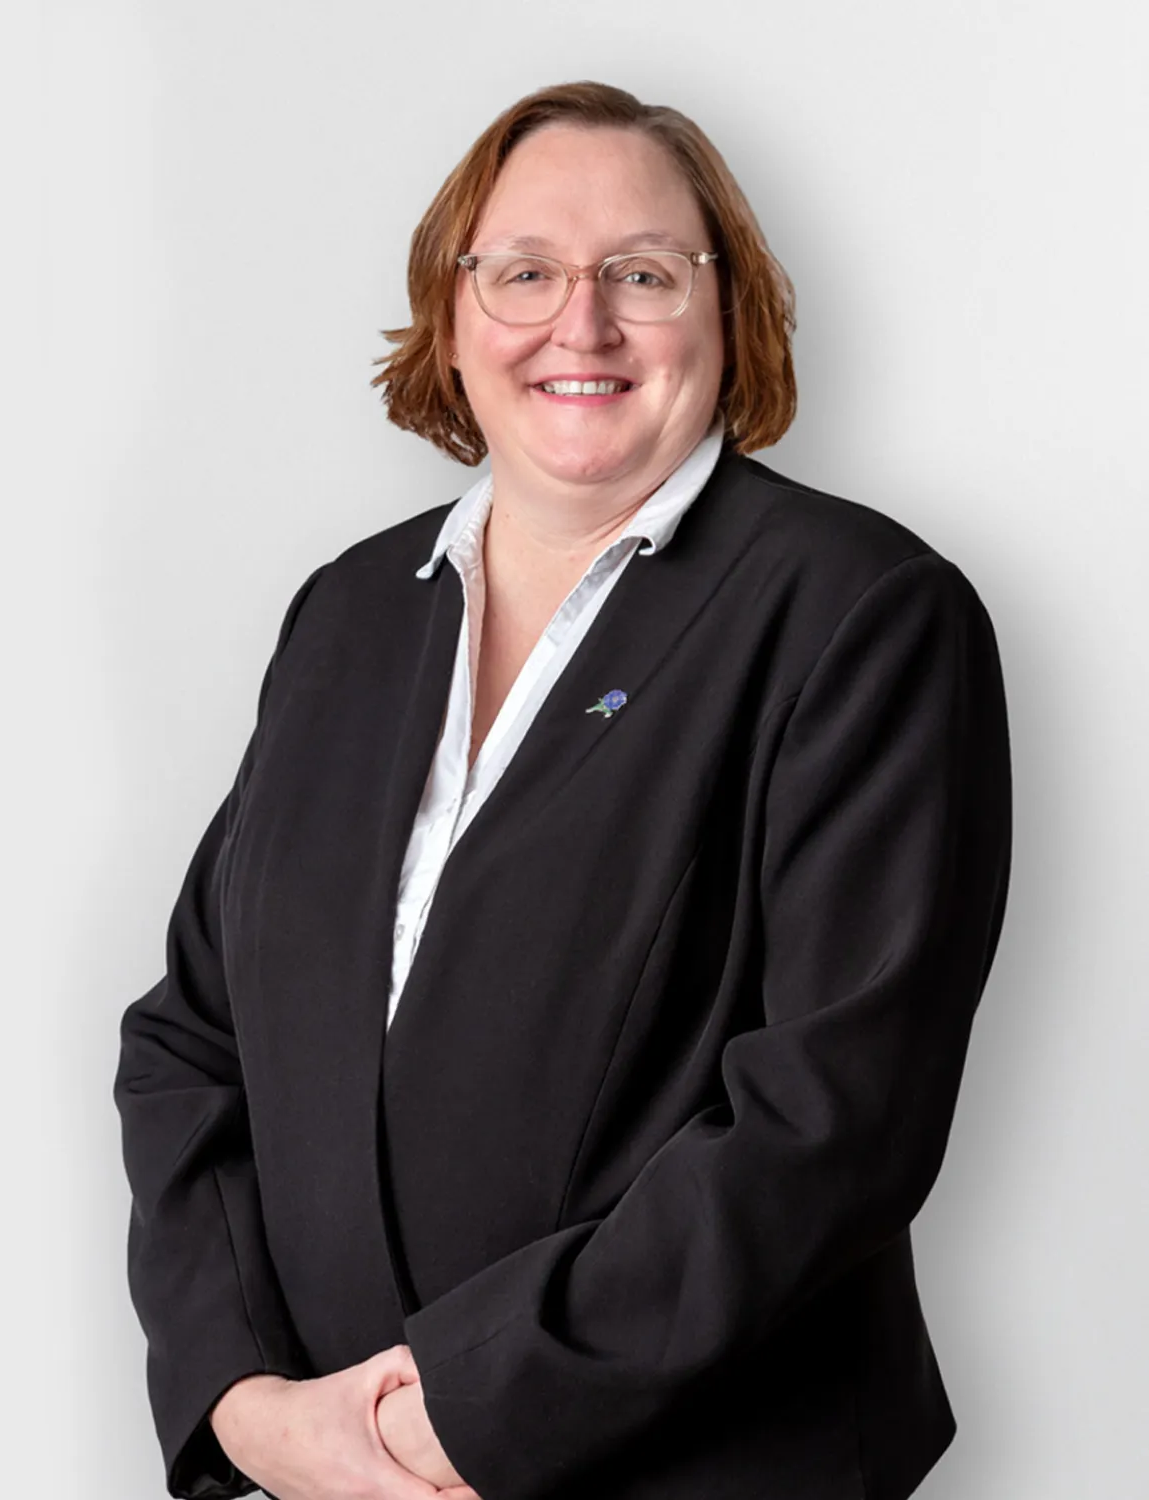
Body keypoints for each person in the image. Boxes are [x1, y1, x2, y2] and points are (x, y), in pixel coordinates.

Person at [113, 79, 1012, 1500]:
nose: (578, 324)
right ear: (452, 314)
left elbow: (833, 1120)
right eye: (523, 272)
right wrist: (242, 1400)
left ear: (730, 313)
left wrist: (449, 1420)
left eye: (643, 274)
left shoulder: (862, 612)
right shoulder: (351, 614)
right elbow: (192, 1038)